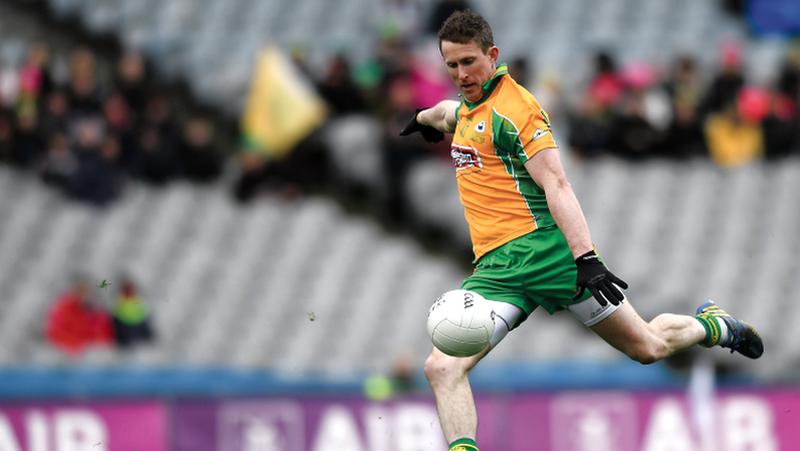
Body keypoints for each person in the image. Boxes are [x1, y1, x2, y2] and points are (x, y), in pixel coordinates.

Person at [399, 10, 763, 451]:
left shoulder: (518, 111)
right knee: (441, 368)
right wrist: (421, 119)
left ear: (492, 55)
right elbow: (448, 114)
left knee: (647, 348)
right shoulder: (469, 109)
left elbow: (557, 183)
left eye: (469, 62)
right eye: (452, 65)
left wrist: (585, 259)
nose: (461, 74)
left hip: (548, 257)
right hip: (497, 270)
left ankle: (714, 326)